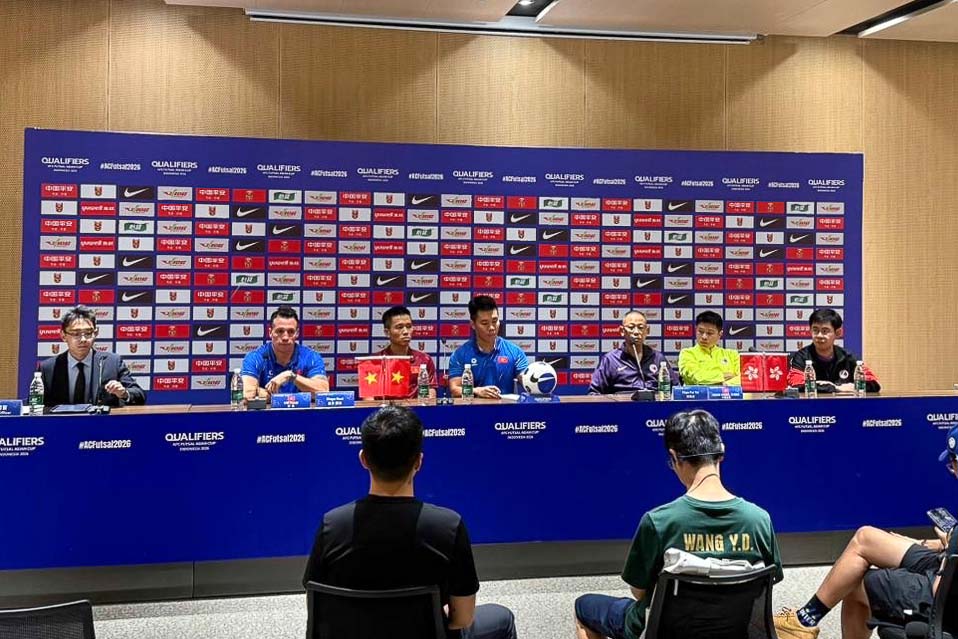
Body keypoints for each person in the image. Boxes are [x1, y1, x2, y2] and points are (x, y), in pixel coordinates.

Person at [302, 405, 517, 639]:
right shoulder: (448, 526)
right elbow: (462, 618)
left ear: (363, 459)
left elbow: (318, 604)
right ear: (418, 462)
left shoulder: (331, 525)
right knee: (502, 618)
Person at [574, 409, 783, 639]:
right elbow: (768, 581)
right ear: (721, 453)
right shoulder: (759, 519)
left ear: (674, 457)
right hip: (735, 630)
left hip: (664, 631)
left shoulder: (658, 521)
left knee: (583, 607)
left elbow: (638, 592)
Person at [774, 425, 958, 639]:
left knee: (854, 583)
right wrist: (937, 543)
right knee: (866, 537)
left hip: (945, 592)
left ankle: (806, 620)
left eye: (952, 462)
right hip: (947, 558)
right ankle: (804, 621)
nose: (952, 470)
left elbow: (940, 592)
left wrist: (939, 562)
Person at [39, 305, 146, 407]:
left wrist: (124, 393)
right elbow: (35, 405)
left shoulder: (112, 362)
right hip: (62, 425)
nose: (83, 339)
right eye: (76, 334)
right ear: (63, 335)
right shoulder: (48, 368)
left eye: (88, 333)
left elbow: (139, 395)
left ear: (96, 333)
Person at [448, 295, 528, 399]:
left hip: (505, 412)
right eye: (484, 323)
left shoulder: (515, 352)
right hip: (473, 412)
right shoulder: (460, 354)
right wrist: (477, 391)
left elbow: (526, 379)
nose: (491, 328)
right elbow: (455, 389)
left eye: (495, 321)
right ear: (473, 324)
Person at [241, 306, 329, 399]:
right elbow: (247, 395)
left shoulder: (311, 357)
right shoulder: (255, 357)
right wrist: (284, 398)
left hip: (302, 413)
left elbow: (323, 392)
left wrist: (290, 376)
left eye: (291, 331)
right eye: (280, 331)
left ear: (297, 333)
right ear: (270, 332)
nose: (285, 337)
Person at [786, 308, 881, 393]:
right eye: (815, 330)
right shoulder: (801, 357)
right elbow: (796, 384)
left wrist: (855, 386)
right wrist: (835, 388)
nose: (819, 335)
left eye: (825, 331)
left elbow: (874, 384)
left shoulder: (848, 357)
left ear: (838, 332)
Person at [589, 310, 679, 394]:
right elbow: (594, 393)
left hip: (653, 407)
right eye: (631, 327)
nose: (636, 332)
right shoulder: (610, 360)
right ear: (622, 331)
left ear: (647, 331)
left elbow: (675, 389)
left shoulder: (658, 358)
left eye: (640, 327)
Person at [377, 305, 437, 399]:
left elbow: (431, 391)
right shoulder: (375, 362)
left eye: (409, 326)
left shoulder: (424, 360)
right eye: (399, 327)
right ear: (387, 332)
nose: (406, 331)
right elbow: (368, 398)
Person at [677, 311, 741, 386]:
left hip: (729, 397)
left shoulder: (732, 355)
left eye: (709, 333)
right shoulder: (687, 354)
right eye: (700, 331)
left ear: (720, 334)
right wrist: (722, 377)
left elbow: (744, 378)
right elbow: (696, 377)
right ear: (695, 330)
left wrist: (726, 384)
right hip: (698, 397)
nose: (704, 337)